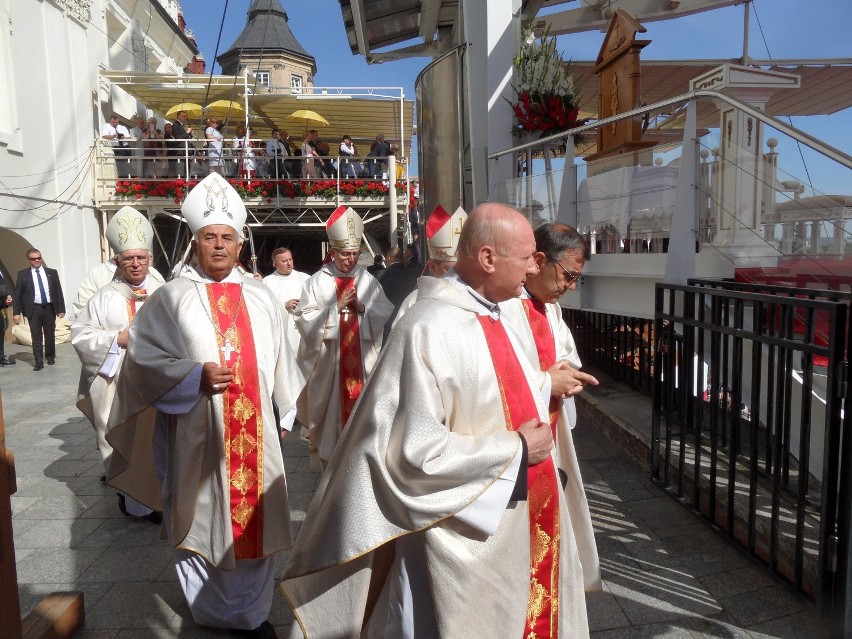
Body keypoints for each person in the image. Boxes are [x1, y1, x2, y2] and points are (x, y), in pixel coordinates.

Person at [281, 203, 591, 638]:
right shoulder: (428, 327)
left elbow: (496, 395)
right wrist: (516, 449)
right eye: (526, 259)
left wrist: (542, 390)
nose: (531, 270)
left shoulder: (497, 314)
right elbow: (415, 455)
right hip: (460, 536)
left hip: (514, 521)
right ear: (487, 258)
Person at [105, 172, 304, 637]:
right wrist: (193, 375)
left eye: (227, 238)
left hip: (256, 435)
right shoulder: (170, 298)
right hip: (196, 433)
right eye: (209, 237)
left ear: (240, 245)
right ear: (195, 243)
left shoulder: (261, 296)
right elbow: (141, 360)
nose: (218, 246)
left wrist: (285, 410)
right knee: (202, 515)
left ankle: (252, 614)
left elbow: (283, 357)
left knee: (256, 517)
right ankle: (211, 608)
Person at [500, 222, 602, 593]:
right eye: (569, 275)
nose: (571, 286)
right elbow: (495, 378)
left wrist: (568, 374)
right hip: (516, 436)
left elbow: (564, 353)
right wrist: (547, 382)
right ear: (540, 260)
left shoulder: (550, 309)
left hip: (550, 429)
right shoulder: (506, 308)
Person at [71, 206, 163, 522]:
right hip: (118, 383)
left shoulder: (164, 293)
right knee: (125, 438)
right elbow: (81, 336)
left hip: (158, 384)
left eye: (141, 258)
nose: (135, 264)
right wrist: (116, 340)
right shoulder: (104, 298)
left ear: (150, 259)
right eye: (129, 259)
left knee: (157, 442)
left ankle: (158, 499)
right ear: (118, 261)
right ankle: (133, 500)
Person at [295, 206, 393, 467]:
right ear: (333, 253)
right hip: (331, 367)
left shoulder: (367, 280)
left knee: (362, 418)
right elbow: (304, 319)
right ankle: (330, 470)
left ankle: (359, 467)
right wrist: (334, 310)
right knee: (331, 421)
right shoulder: (316, 282)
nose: (350, 260)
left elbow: (384, 310)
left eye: (354, 254)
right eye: (345, 254)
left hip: (361, 365)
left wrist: (363, 308)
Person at [394, 204, 467, 325]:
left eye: (463, 270)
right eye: (449, 270)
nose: (457, 278)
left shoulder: (479, 300)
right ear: (432, 266)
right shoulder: (414, 302)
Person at [13, 248, 66, 371]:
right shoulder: (23, 275)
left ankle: (50, 356)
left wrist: (60, 309)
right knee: (36, 335)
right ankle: (38, 361)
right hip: (33, 309)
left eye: (39, 258)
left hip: (48, 307)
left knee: (50, 334)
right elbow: (18, 294)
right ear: (28, 260)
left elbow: (58, 291)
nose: (37, 260)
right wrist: (16, 313)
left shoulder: (51, 272)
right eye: (33, 259)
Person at [262, 247, 309, 355]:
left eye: (290, 259)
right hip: (283, 330)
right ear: (275, 264)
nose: (289, 263)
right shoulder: (267, 282)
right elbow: (263, 308)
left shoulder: (305, 278)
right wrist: (283, 305)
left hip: (302, 328)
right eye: (284, 261)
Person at [376, 245, 419, 340]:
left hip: (386, 320)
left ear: (389, 257)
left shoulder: (378, 275)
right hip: (408, 319)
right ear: (402, 257)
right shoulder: (414, 274)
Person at [100, 113, 132, 178]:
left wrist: (123, 137)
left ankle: (128, 179)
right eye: (113, 122)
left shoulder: (122, 127)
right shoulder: (106, 126)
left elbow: (128, 137)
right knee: (121, 165)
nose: (115, 124)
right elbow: (104, 136)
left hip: (125, 146)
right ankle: (123, 180)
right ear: (110, 121)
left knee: (128, 164)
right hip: (116, 146)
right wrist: (113, 136)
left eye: (116, 122)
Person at [0, 269, 15, 366]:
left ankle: (1, 357)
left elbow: (3, 285)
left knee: (1, 331)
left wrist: (7, 295)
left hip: (1, 305)